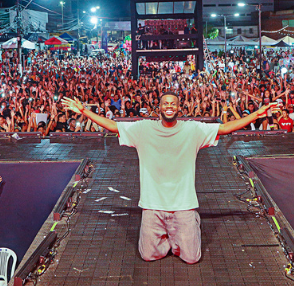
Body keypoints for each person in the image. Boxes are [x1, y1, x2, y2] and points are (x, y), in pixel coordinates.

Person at [62, 92, 279, 264]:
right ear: (159, 108)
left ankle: (189, 227)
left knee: (192, 259)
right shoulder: (143, 129)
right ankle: (172, 237)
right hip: (152, 205)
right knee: (147, 256)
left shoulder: (192, 129)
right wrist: (83, 111)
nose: (169, 106)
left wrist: (257, 115)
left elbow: (224, 128)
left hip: (183, 204)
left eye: (173, 104)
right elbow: (113, 126)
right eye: (165, 103)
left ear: (178, 108)